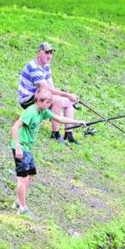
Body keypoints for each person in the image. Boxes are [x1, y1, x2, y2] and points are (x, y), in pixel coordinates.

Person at [11, 88, 86, 218]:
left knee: (31, 175)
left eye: (50, 102)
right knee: (22, 179)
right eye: (47, 102)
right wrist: (17, 147)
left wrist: (78, 122)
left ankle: (19, 200)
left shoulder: (43, 111)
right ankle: (23, 209)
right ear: (38, 101)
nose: (49, 105)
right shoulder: (31, 112)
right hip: (21, 147)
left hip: (27, 148)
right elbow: (14, 127)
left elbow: (59, 118)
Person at [18, 42, 80, 144]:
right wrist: (67, 95)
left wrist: (69, 98)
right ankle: (55, 133)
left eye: (51, 53)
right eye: (47, 52)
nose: (49, 56)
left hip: (40, 96)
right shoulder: (33, 67)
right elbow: (48, 89)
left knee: (69, 102)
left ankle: (69, 135)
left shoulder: (46, 67)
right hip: (27, 99)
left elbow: (51, 88)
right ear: (39, 53)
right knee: (58, 100)